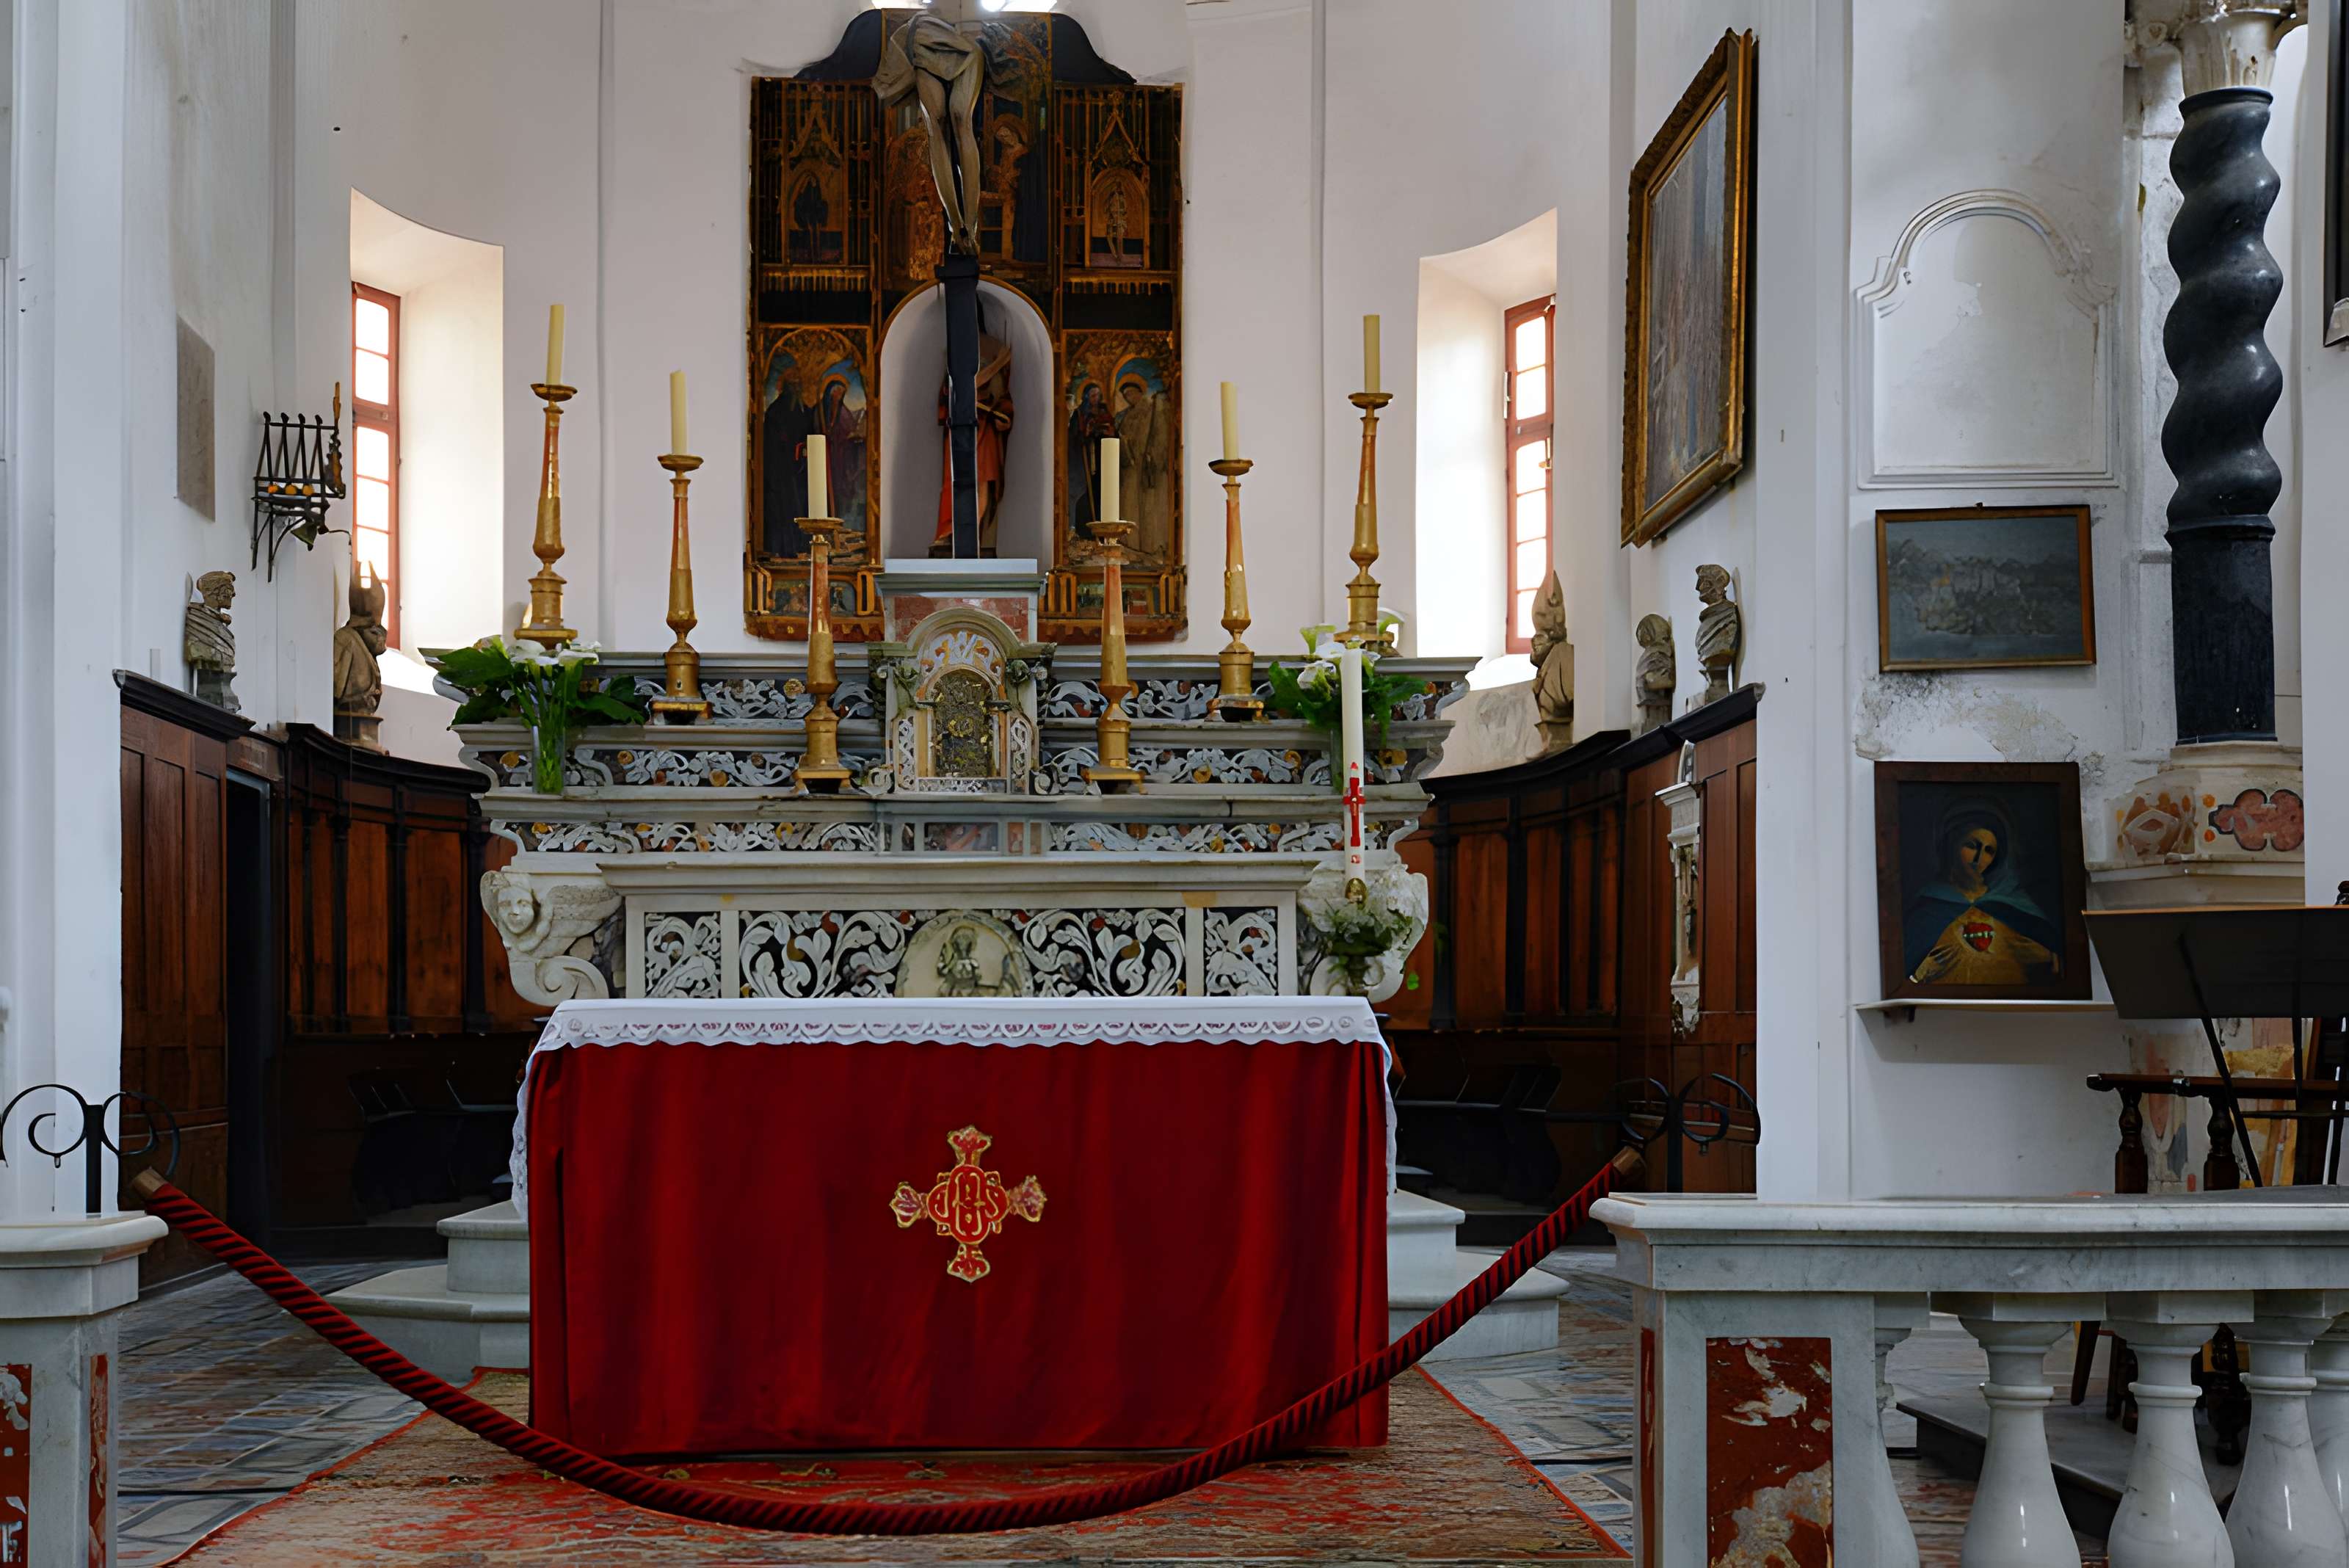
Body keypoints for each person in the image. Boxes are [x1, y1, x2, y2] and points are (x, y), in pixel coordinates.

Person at [1901, 799, 2061, 986]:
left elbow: (2056, 965)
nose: (1979, 858)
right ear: (1952, 845)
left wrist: (2047, 956)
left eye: (1989, 851)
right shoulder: (1928, 908)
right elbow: (1905, 978)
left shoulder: (2011, 903)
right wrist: (1922, 972)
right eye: (1971, 846)